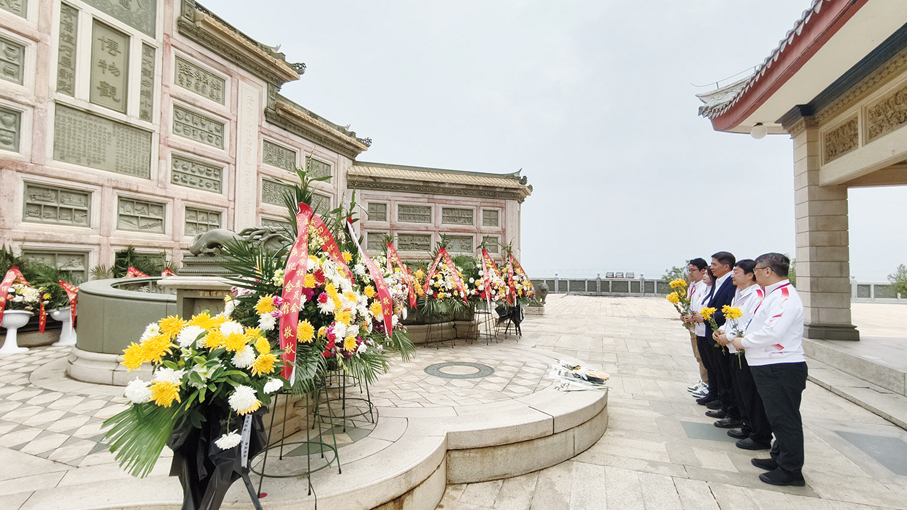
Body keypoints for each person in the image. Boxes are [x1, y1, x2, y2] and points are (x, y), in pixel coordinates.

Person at [731, 253, 807, 487]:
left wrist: (742, 342)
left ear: (768, 271)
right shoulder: (772, 294)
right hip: (769, 365)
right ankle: (779, 458)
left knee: (785, 419)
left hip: (780, 366)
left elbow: (773, 332)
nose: (754, 274)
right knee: (776, 417)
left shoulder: (784, 297)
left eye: (756, 270)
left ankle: (791, 470)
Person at [714, 260, 772, 451]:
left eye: (736, 272)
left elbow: (751, 324)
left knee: (751, 393)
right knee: (740, 391)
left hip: (745, 350)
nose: (732, 275)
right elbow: (732, 319)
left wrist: (729, 336)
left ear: (749, 275)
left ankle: (758, 433)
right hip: (734, 348)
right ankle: (747, 426)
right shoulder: (739, 294)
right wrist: (721, 331)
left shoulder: (756, 296)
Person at [685, 258, 709, 397]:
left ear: (702, 271)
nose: (691, 273)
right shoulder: (693, 285)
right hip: (693, 326)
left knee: (702, 356)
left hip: (701, 326)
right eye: (689, 270)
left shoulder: (705, 286)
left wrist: (695, 316)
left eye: (693, 270)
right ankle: (703, 380)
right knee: (698, 355)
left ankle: (707, 383)